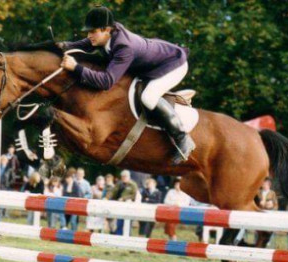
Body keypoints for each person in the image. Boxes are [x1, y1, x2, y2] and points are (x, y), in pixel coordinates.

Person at [59, 6, 194, 163]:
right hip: (153, 60)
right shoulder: (105, 36)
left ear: (106, 30)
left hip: (173, 64)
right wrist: (63, 45)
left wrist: (76, 68)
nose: (89, 35)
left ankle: (182, 138)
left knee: (148, 97)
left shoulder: (124, 47)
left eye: (92, 31)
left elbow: (106, 81)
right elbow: (86, 44)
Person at [106, 170, 138, 235]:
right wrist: (107, 197)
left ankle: (127, 238)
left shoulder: (133, 185)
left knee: (128, 223)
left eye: (125, 176)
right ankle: (118, 237)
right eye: (122, 176)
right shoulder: (119, 184)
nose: (123, 178)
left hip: (129, 207)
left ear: (128, 176)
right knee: (119, 223)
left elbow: (134, 195)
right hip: (119, 206)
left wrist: (124, 198)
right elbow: (113, 192)